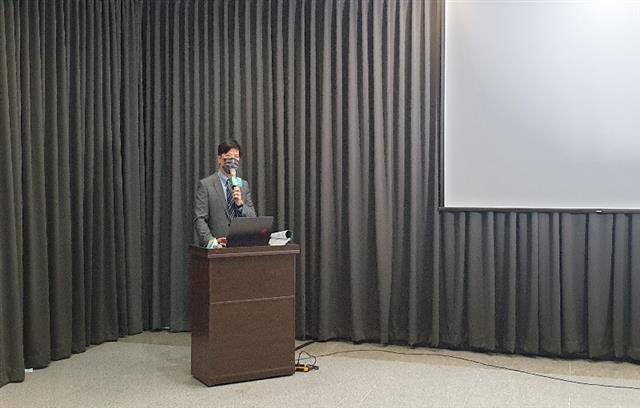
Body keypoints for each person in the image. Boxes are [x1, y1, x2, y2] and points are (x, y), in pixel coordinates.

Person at [193, 140, 256, 247]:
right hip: (217, 248)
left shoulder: (243, 185)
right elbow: (200, 219)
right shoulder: (206, 185)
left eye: (236, 157)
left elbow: (253, 218)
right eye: (229, 156)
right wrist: (212, 242)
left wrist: (240, 204)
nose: (233, 160)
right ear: (219, 159)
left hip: (241, 246)